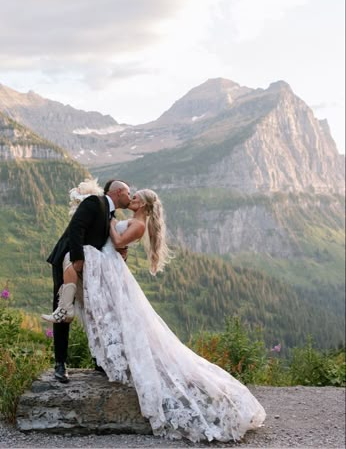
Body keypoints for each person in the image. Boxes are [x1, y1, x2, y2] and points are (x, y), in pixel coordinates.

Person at [79, 188, 266, 443]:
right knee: (121, 319)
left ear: (143, 205)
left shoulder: (138, 224)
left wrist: (110, 223)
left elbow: (119, 242)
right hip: (111, 267)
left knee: (130, 321)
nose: (131, 199)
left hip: (112, 267)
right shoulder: (134, 220)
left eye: (135, 198)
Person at [43, 179, 131, 382]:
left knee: (94, 310)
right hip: (69, 261)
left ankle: (99, 361)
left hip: (91, 267)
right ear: (117, 192)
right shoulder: (94, 202)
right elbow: (76, 228)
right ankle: (60, 363)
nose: (130, 196)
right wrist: (77, 259)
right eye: (128, 193)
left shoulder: (110, 215)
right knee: (63, 308)